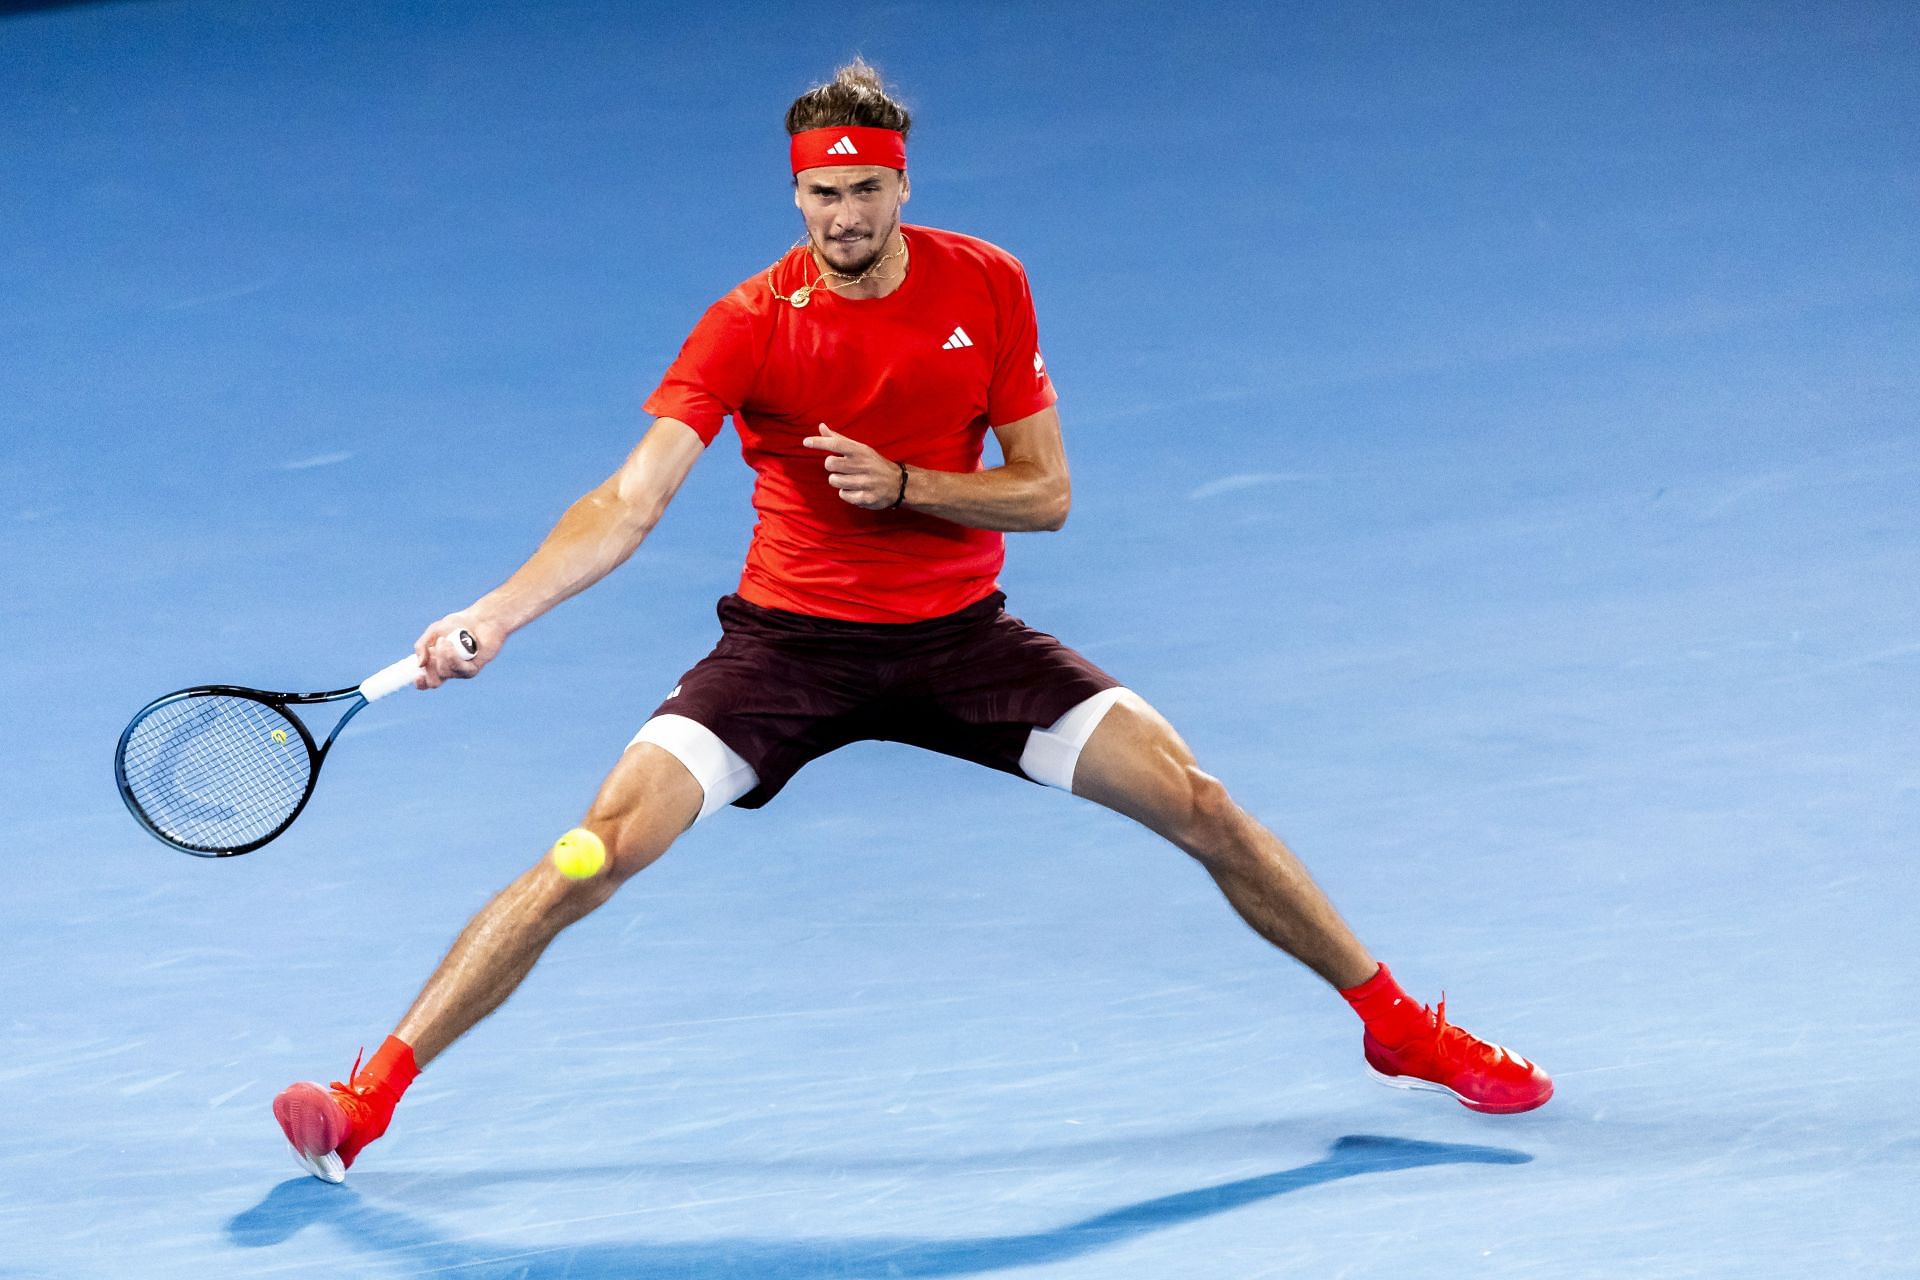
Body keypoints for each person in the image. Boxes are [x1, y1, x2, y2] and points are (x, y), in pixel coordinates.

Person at [273, 59, 1551, 1185]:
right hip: (785, 652)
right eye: (821, 195)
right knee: (587, 852)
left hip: (963, 643)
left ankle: (1397, 1025)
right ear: (794, 199)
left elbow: (1045, 494)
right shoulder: (746, 324)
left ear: (899, 186)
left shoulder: (985, 284)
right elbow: (628, 497)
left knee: (1203, 804)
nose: (843, 215)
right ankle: (366, 1098)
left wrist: (910, 486)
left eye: (865, 191)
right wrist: (495, 614)